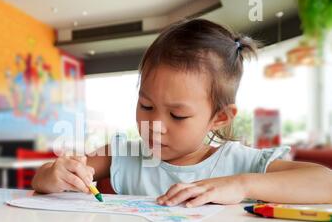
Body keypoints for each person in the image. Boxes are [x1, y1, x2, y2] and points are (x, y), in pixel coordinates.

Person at [32, 19, 332, 207]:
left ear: (220, 117)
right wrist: (53, 174)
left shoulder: (242, 163)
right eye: (146, 106)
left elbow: (325, 183)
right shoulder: (122, 154)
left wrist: (241, 184)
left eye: (177, 115)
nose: (155, 125)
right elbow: (44, 181)